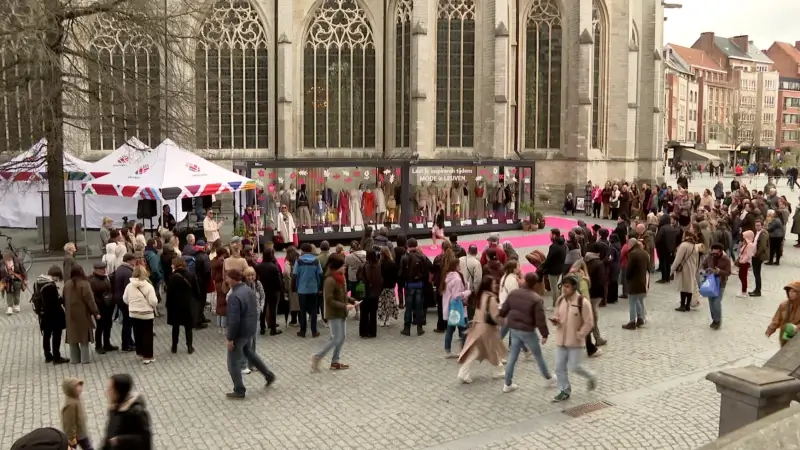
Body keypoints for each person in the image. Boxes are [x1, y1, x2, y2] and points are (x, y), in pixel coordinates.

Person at [225, 269, 276, 399]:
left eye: (227, 277)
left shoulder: (234, 296)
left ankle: (239, 390)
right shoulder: (249, 291)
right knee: (249, 353)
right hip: (250, 329)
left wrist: (230, 338)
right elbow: (255, 310)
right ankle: (268, 375)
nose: (226, 280)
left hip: (239, 333)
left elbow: (234, 319)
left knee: (233, 362)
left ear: (233, 279)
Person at [499, 273, 553, 392]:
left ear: (525, 280)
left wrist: (501, 317)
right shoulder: (536, 298)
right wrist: (545, 334)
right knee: (538, 355)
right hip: (527, 330)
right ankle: (548, 377)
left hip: (514, 328)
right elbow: (540, 319)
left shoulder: (514, 293)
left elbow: (504, 309)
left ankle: (507, 384)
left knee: (513, 356)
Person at [550, 274, 597, 402]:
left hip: (575, 341)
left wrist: (580, 334)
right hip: (561, 340)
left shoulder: (583, 302)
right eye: (563, 286)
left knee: (575, 367)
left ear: (574, 287)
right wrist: (556, 321)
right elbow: (557, 315)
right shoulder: (560, 300)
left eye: (567, 286)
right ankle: (564, 390)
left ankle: (591, 376)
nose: (564, 289)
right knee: (559, 367)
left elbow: (589, 322)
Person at [456, 275, 506, 383]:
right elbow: (495, 316)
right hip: (487, 329)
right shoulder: (491, 298)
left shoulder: (482, 295)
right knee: (481, 350)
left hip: (478, 327)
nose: (495, 285)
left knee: (481, 350)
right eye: (493, 283)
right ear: (488, 285)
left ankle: (499, 369)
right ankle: (463, 373)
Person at [312, 255, 357, 371]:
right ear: (336, 267)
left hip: (342, 312)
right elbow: (329, 300)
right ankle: (318, 356)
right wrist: (345, 306)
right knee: (336, 338)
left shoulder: (341, 278)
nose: (344, 267)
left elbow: (343, 295)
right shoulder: (329, 280)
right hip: (333, 313)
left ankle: (335, 361)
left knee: (341, 337)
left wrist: (352, 300)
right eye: (342, 266)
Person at [101, 374, 152, 450]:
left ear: (118, 392)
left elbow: (144, 439)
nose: (107, 393)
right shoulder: (114, 407)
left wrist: (120, 440)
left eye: (110, 389)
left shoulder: (136, 412)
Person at [64, 266, 100, 365]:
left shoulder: (67, 284)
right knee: (84, 336)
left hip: (70, 313)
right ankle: (85, 359)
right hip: (82, 313)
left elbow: (64, 298)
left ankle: (74, 359)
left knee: (73, 335)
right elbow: (90, 300)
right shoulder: (85, 284)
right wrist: (95, 312)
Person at [32, 266, 68, 364]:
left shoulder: (38, 281)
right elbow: (54, 302)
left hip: (43, 314)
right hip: (53, 314)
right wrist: (62, 299)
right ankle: (57, 357)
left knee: (46, 335)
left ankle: (48, 355)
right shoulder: (50, 285)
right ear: (56, 275)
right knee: (56, 335)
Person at [123, 266, 158, 364]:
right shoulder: (148, 286)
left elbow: (125, 299)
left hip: (134, 313)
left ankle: (140, 352)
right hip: (146, 313)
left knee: (137, 333)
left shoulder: (129, 286)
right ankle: (148, 356)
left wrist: (132, 305)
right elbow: (153, 301)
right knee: (147, 335)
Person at [399, 238, 430, 336]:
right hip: (419, 284)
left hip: (409, 285)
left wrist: (403, 283)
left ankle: (406, 328)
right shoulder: (422, 257)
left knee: (408, 307)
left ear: (408, 246)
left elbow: (401, 273)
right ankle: (419, 328)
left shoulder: (404, 257)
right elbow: (426, 273)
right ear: (416, 245)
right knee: (419, 307)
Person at [166, 258, 197, 355]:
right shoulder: (191, 275)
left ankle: (174, 346)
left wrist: (168, 305)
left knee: (175, 326)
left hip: (175, 305)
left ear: (175, 265)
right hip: (187, 304)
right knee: (188, 327)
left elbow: (169, 293)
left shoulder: (172, 277)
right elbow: (196, 291)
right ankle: (190, 347)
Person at [442, 259, 471, 358]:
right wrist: (467, 292)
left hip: (450, 307)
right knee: (464, 329)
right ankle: (464, 350)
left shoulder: (447, 277)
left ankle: (448, 350)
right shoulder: (457, 279)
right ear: (456, 266)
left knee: (450, 329)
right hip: (458, 308)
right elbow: (456, 296)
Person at [293, 242, 323, 338]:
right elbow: (320, 275)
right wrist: (320, 287)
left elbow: (294, 275)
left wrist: (294, 288)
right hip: (313, 289)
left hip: (302, 290)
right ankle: (314, 331)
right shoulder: (316, 261)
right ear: (311, 250)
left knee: (302, 311)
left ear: (302, 250)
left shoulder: (298, 261)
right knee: (314, 310)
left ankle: (302, 331)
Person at [701, 243, 732, 330]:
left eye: (716, 253)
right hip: (710, 282)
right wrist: (705, 270)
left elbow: (728, 272)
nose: (714, 254)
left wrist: (719, 271)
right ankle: (714, 320)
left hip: (720, 283)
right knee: (711, 301)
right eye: (713, 252)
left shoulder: (726, 259)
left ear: (720, 251)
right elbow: (703, 265)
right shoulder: (709, 257)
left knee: (716, 302)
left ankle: (718, 321)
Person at [242, 266, 265, 373]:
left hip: (256, 315)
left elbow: (262, 296)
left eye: (252, 275)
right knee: (248, 340)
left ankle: (252, 363)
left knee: (254, 340)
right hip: (247, 317)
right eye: (248, 275)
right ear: (245, 276)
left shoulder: (258, 284)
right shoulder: (243, 287)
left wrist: (261, 307)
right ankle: (245, 364)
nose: (251, 277)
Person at [256, 248, 284, 336]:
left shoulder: (258, 266)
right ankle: (273, 329)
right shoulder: (274, 266)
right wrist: (281, 289)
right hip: (273, 290)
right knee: (273, 309)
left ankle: (262, 328)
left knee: (262, 309)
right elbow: (278, 280)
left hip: (262, 290)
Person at [88, 262, 114, 354]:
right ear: (95, 270)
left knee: (108, 325)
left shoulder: (105, 278)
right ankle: (98, 346)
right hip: (99, 307)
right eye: (101, 269)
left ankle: (107, 343)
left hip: (108, 306)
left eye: (104, 268)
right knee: (100, 326)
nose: (103, 270)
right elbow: (92, 295)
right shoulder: (91, 280)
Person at [623, 238, 649, 329]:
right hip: (642, 281)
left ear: (631, 244)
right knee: (639, 300)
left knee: (632, 302)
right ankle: (640, 318)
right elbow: (648, 267)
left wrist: (627, 278)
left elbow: (629, 269)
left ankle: (632, 321)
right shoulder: (645, 253)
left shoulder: (633, 254)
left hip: (634, 282)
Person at [61, 377, 92, 450]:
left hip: (81, 431)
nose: (80, 388)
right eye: (77, 387)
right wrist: (71, 437)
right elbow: (69, 422)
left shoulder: (76, 397)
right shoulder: (70, 404)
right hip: (76, 435)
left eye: (80, 385)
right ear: (71, 390)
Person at [671, 230, 699, 311]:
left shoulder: (683, 245)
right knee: (689, 286)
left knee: (683, 287)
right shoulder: (695, 245)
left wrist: (672, 269)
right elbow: (697, 259)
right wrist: (696, 269)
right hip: (692, 268)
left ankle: (682, 305)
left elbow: (678, 259)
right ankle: (688, 305)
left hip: (684, 269)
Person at [766, 281, 800, 347]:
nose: (791, 294)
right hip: (785, 335)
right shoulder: (784, 305)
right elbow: (777, 319)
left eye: (794, 291)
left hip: (798, 336)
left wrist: (796, 328)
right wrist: (771, 328)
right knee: (785, 351)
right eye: (789, 291)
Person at [357, 249, 382, 338]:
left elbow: (359, 279)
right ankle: (373, 332)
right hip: (375, 293)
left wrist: (359, 294)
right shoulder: (378, 266)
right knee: (373, 313)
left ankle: (364, 332)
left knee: (364, 313)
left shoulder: (362, 266)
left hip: (364, 292)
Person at [378, 247, 399, 326]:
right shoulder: (392, 263)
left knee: (381, 303)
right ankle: (387, 319)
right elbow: (396, 275)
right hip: (390, 286)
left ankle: (381, 319)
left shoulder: (379, 264)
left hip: (381, 287)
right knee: (389, 303)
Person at [211, 247, 230, 328]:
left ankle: (219, 322)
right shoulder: (222, 262)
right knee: (223, 304)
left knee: (219, 303)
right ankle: (223, 323)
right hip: (222, 283)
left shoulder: (214, 261)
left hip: (217, 284)